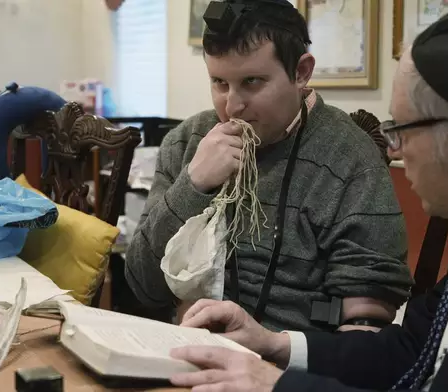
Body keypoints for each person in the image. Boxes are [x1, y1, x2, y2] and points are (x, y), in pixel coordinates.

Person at [164, 6, 448, 392]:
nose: (392, 151)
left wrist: (275, 384)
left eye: (402, 132)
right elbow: (412, 349)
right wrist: (274, 344)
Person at [124, 0, 413, 332]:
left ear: (301, 72)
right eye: (219, 82)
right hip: (187, 353)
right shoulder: (186, 142)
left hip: (288, 367)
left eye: (252, 82)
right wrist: (193, 184)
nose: (232, 106)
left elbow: (364, 326)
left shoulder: (350, 158)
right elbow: (143, 287)